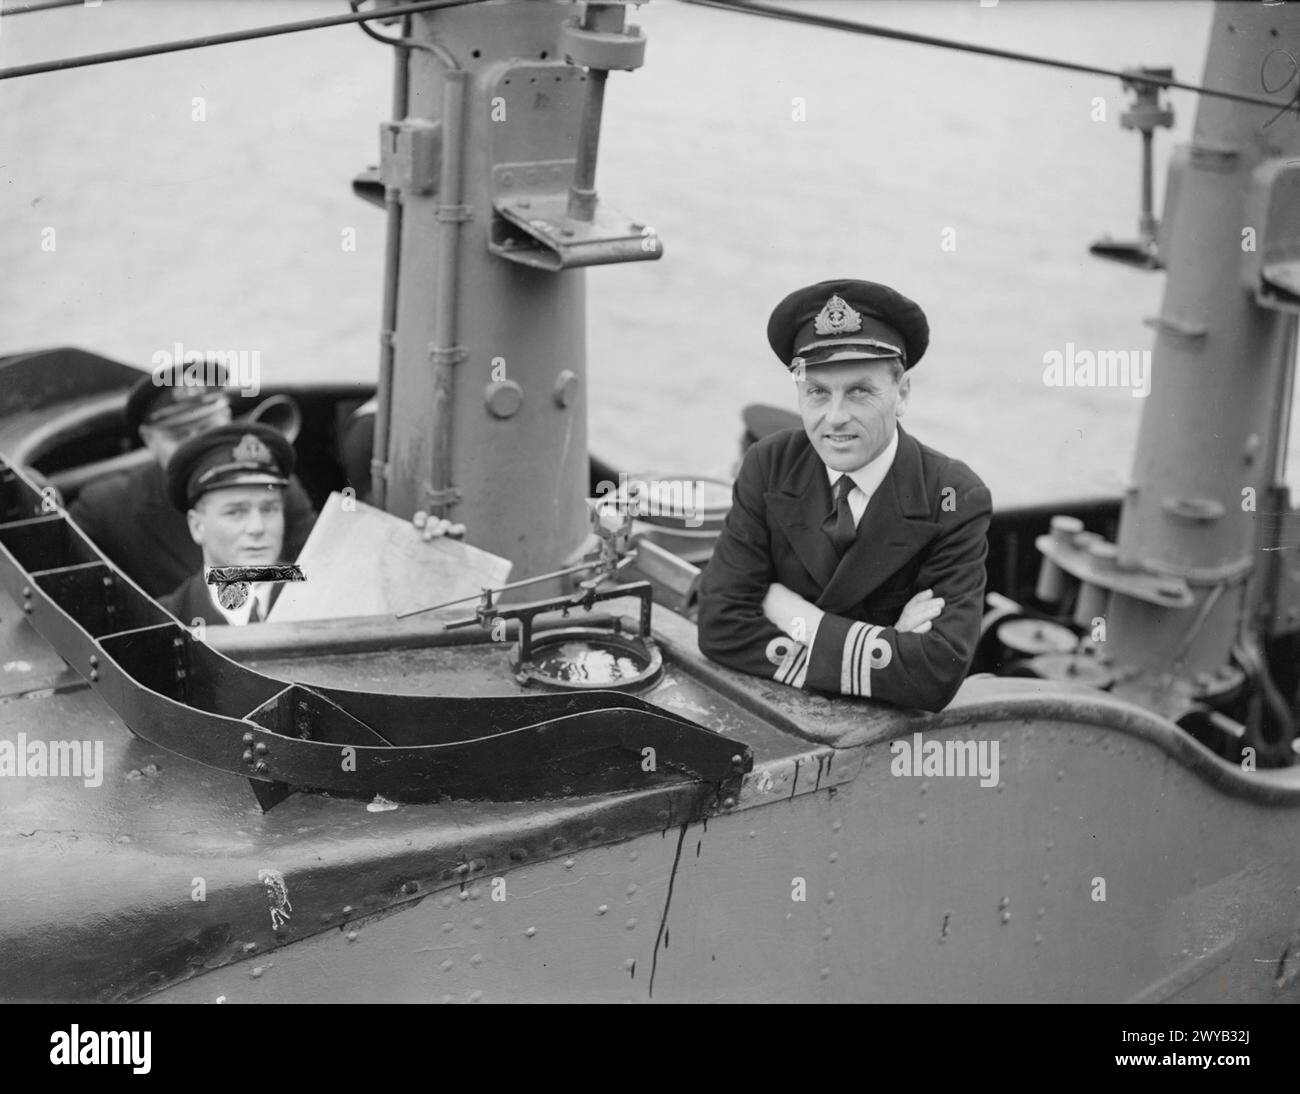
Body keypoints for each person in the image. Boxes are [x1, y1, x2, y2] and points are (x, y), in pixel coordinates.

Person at [697, 279, 992, 712]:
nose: (835, 418)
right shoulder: (769, 465)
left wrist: (795, 615)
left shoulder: (953, 496)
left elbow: (935, 673)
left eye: (860, 391)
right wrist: (884, 647)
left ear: (902, 394)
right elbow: (720, 628)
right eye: (817, 392)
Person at [68, 361, 316, 597]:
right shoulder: (108, 508)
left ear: (227, 417)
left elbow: (316, 567)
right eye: (179, 436)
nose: (197, 448)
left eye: (208, 429)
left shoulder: (273, 484)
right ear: (148, 440)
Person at [158, 423, 295, 625]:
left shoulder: (322, 599)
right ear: (197, 527)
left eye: (268, 509)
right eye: (235, 512)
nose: (257, 528)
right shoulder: (166, 622)